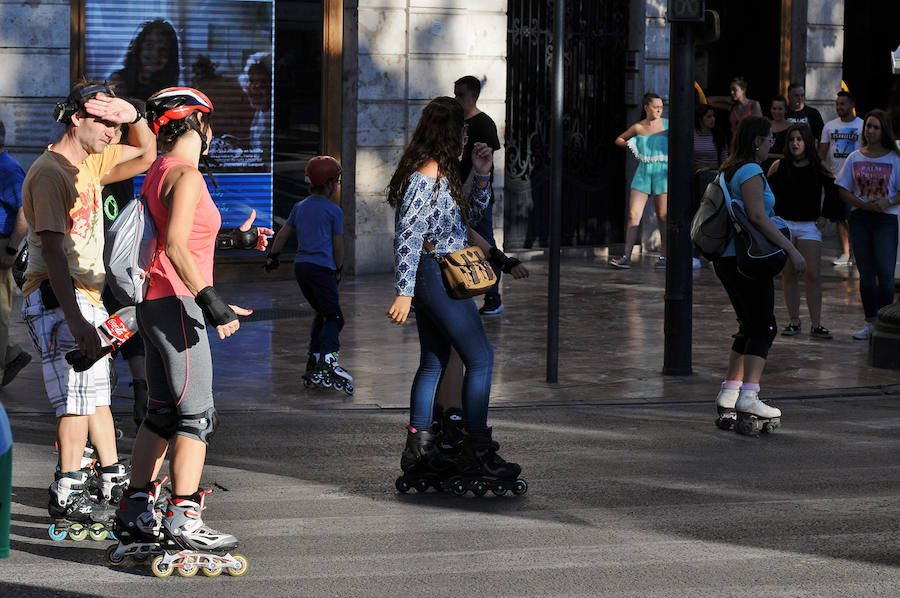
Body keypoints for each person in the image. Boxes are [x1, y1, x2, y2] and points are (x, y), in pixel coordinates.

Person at [111, 87, 268, 573]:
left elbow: (181, 237)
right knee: (196, 417)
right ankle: (183, 517)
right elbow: (177, 247)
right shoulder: (187, 174)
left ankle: (137, 510)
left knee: (160, 413)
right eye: (210, 123)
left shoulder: (158, 170)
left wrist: (234, 239)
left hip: (160, 303)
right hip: (179, 302)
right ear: (199, 124)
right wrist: (211, 301)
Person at [20, 81, 155, 535]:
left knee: (96, 393)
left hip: (87, 296)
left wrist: (132, 114)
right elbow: (53, 253)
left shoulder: (91, 162)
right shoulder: (49, 173)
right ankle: (69, 489)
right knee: (76, 399)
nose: (114, 134)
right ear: (77, 117)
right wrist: (77, 320)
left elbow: (149, 154)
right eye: (106, 122)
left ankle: (112, 475)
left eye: (118, 125)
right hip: (60, 298)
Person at [386, 96, 525, 495]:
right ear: (450, 133)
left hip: (439, 275)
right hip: (438, 276)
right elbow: (408, 237)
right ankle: (475, 447)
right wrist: (404, 292)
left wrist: (482, 176)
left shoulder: (438, 174)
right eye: (463, 131)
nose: (467, 137)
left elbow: (468, 222)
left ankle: (423, 450)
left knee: (434, 361)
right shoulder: (425, 176)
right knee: (480, 358)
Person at [711, 116, 806, 435]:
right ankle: (749, 396)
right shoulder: (750, 170)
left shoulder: (728, 169)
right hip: (747, 259)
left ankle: (729, 393)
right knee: (764, 326)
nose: (772, 145)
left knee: (748, 325)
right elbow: (757, 216)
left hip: (727, 258)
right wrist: (791, 249)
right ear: (756, 141)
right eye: (769, 140)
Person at [264, 155, 353, 392]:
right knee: (334, 317)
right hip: (322, 269)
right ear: (332, 183)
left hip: (301, 267)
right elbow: (338, 245)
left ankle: (314, 360)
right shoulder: (334, 211)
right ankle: (328, 361)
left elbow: (283, 233)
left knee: (322, 314)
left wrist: (273, 256)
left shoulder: (299, 207)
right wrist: (339, 268)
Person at [768, 123, 838, 339]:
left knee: (813, 275)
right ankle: (793, 321)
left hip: (809, 226)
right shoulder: (779, 166)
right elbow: (766, 194)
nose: (795, 143)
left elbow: (834, 192)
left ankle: (816, 324)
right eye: (792, 139)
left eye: (799, 139)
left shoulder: (819, 167)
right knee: (787, 274)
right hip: (784, 225)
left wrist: (825, 216)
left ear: (808, 142)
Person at [98, 124, 149, 428]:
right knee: (124, 324)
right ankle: (139, 390)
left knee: (117, 326)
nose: (111, 135)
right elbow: (146, 152)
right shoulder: (104, 165)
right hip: (112, 264)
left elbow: (145, 153)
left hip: (108, 263)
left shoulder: (109, 164)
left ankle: (112, 403)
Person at [835, 109, 900, 341]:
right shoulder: (855, 157)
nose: (870, 131)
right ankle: (870, 322)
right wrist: (862, 204)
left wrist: (887, 202)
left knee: (885, 273)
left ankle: (886, 322)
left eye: (875, 127)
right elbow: (842, 190)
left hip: (886, 219)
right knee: (865, 274)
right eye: (868, 126)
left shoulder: (894, 157)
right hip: (860, 218)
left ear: (884, 131)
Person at [453, 75, 504, 314]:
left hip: (477, 196)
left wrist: (467, 189)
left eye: (461, 94)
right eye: (455, 94)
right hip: (453, 194)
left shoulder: (484, 123)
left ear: (473, 95)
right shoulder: (454, 123)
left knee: (485, 244)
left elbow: (483, 162)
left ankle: (493, 297)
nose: (457, 99)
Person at [611, 92, 668, 269]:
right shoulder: (638, 127)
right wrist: (631, 145)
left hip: (662, 173)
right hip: (643, 172)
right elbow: (619, 139)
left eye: (661, 106)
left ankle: (664, 257)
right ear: (646, 108)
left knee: (663, 216)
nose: (659, 109)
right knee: (633, 215)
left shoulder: (668, 125)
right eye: (655, 106)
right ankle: (626, 256)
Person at [0, 120, 31, 387]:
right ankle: (12, 354)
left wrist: (11, 249)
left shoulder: (9, 170)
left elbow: (24, 211)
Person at [819, 90, 864, 267]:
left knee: (856, 218)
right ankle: (845, 254)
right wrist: (825, 170)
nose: (839, 107)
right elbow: (821, 154)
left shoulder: (862, 125)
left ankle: (859, 254)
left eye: (842, 104)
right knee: (839, 218)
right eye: (837, 104)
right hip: (836, 180)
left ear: (852, 105)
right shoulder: (829, 126)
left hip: (856, 180)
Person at [109, 19, 180, 102]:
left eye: (163, 49)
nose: (155, 54)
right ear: (139, 48)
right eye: (149, 45)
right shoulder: (120, 81)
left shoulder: (170, 88)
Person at [239, 52, 272, 166]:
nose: (254, 88)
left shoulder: (272, 118)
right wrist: (239, 142)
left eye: (262, 82)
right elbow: (258, 142)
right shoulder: (260, 112)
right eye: (252, 81)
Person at [765, 95, 791, 169]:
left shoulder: (791, 128)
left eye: (780, 109)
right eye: (774, 108)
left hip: (783, 166)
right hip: (765, 165)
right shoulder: (765, 126)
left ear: (785, 110)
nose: (776, 112)